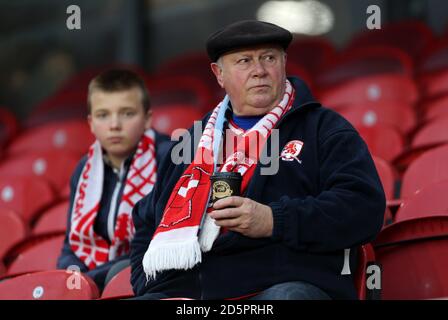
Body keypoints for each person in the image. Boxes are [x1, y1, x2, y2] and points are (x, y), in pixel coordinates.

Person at [129, 20, 386, 300]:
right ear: (219, 74)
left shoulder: (324, 129)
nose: (260, 71)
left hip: (282, 285)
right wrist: (147, 283)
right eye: (244, 61)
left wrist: (273, 219)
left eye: (269, 58)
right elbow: (145, 217)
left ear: (284, 63)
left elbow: (363, 208)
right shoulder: (190, 143)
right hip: (192, 292)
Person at [57, 69, 171, 291]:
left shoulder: (167, 157)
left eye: (127, 113)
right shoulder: (84, 169)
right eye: (103, 115)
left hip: (150, 279)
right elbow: (71, 246)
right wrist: (74, 277)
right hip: (95, 278)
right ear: (90, 123)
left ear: (147, 119)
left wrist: (93, 278)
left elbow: (160, 241)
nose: (114, 124)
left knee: (117, 274)